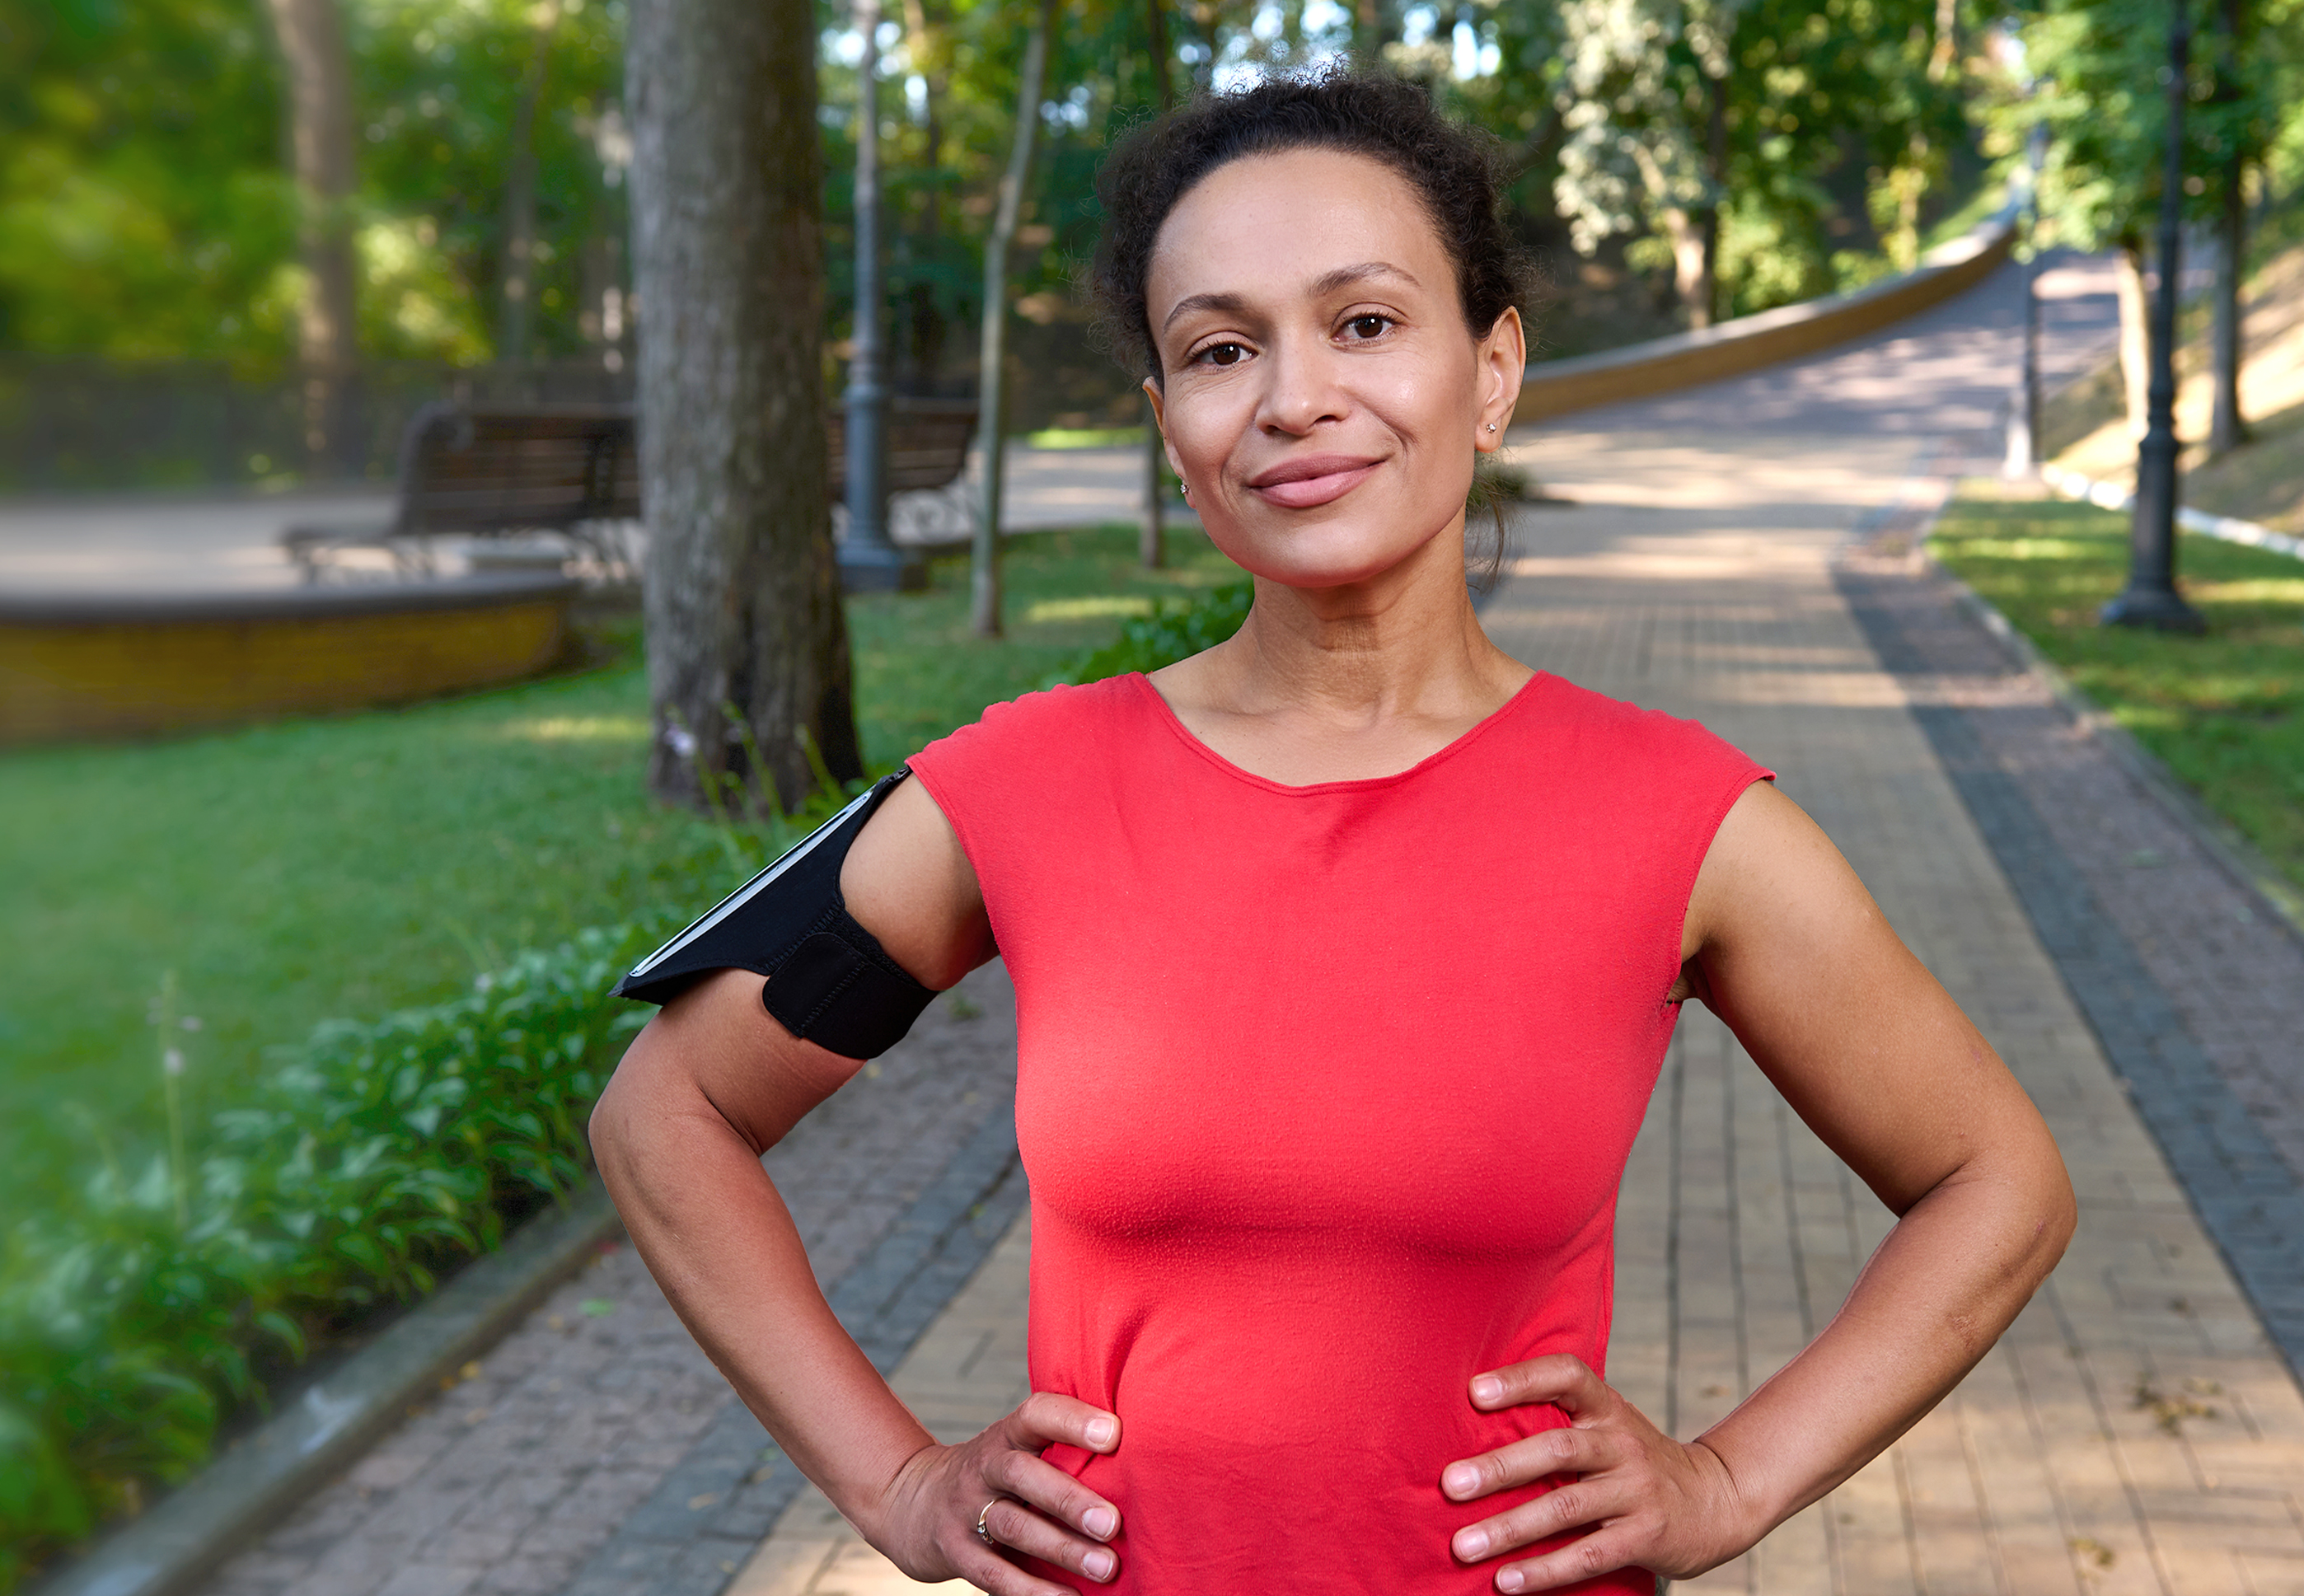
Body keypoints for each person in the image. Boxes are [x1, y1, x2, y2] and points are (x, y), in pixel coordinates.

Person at [591, 71, 2077, 1596]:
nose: (1295, 396)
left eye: (1364, 322)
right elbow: (670, 1117)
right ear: (1172, 426)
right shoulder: (1019, 787)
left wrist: (1728, 1478)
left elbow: (1997, 1181)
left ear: (1491, 370)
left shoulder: (1682, 821)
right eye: (1223, 349)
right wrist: (898, 1481)